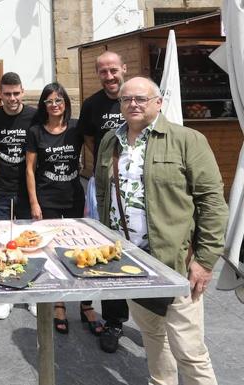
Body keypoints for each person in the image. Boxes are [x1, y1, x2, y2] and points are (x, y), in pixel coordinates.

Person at [96, 77, 228, 384]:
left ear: (158, 102)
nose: (133, 104)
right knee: (153, 336)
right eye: (127, 99)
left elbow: (212, 203)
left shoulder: (187, 139)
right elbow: (103, 195)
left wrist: (205, 261)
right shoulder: (109, 141)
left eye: (141, 99)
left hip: (175, 264)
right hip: (129, 263)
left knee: (189, 352)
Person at [26, 82, 102, 335]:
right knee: (51, 251)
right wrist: (34, 202)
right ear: (43, 105)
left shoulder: (76, 127)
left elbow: (96, 150)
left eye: (59, 100)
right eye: (49, 101)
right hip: (47, 198)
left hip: (73, 197)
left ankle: (85, 303)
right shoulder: (36, 131)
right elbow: (29, 169)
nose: (55, 105)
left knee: (80, 249)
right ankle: (58, 302)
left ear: (66, 103)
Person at [77, 50, 129, 352]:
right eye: (103, 72)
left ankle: (155, 317)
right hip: (105, 188)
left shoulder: (139, 96)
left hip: (140, 185)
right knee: (108, 251)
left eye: (113, 70)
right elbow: (89, 140)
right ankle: (114, 320)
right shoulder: (92, 104)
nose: (109, 76)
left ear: (124, 68)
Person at [0, 72, 39, 320]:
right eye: (7, 94)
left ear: (22, 92)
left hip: (27, 187)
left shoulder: (35, 115)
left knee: (28, 240)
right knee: (3, 239)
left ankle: (28, 292)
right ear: (0, 94)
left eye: (16, 93)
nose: (12, 98)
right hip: (0, 186)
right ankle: (5, 294)